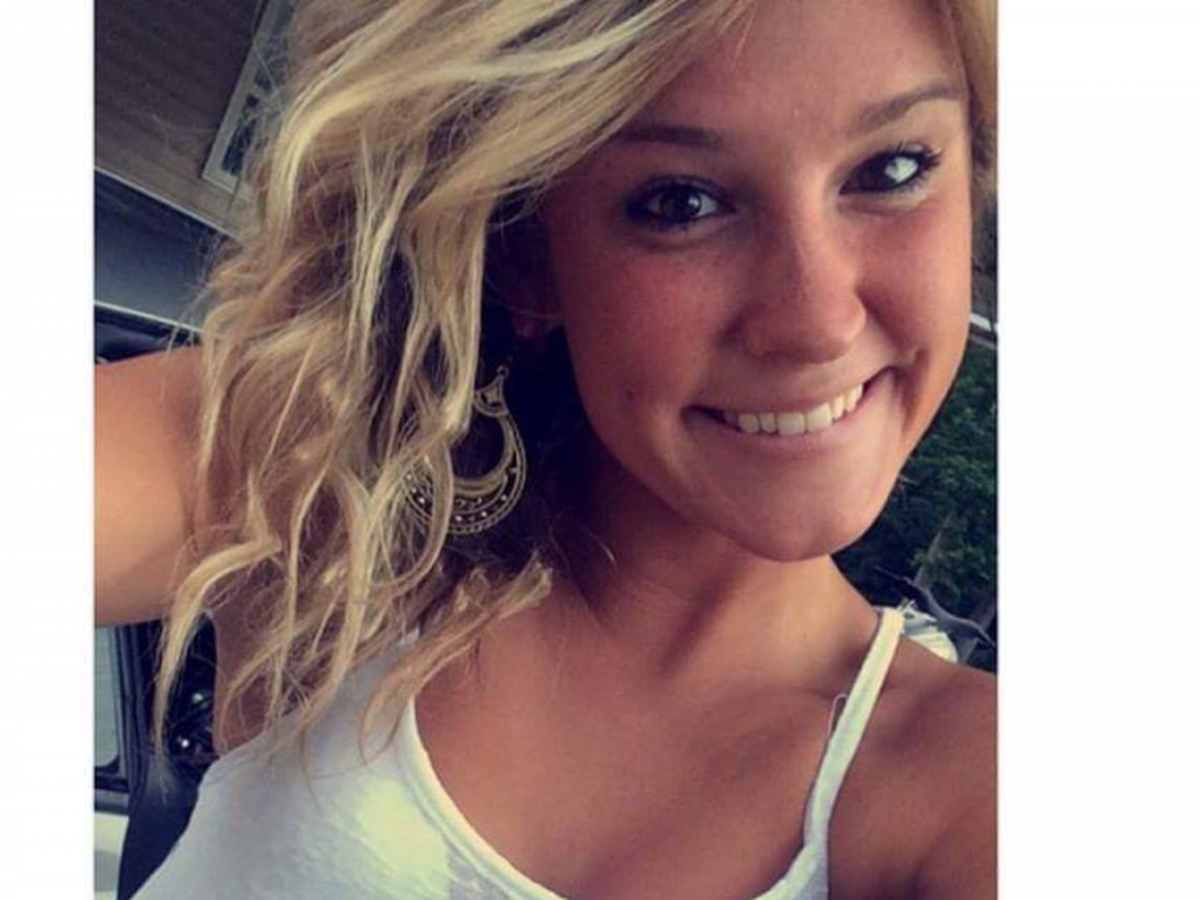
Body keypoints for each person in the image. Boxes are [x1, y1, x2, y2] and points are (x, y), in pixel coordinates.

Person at [95, 0, 997, 896]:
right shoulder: (326, 483)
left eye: (893, 169)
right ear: (527, 254)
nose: (816, 323)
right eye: (680, 203)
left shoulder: (968, 784)